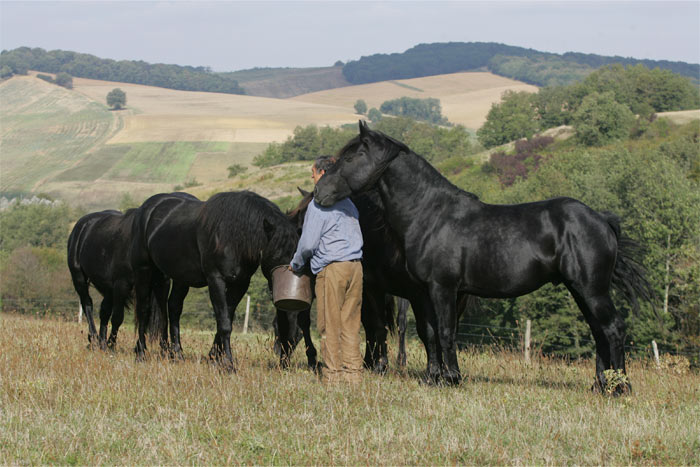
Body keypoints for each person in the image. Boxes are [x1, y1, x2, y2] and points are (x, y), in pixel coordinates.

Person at [290, 155, 364, 383]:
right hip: (356, 267)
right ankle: (353, 375)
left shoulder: (318, 205)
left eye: (313, 172)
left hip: (332, 270)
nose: (311, 177)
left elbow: (309, 243)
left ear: (322, 174)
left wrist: (296, 263)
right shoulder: (348, 202)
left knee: (328, 324)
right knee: (350, 324)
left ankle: (332, 375)